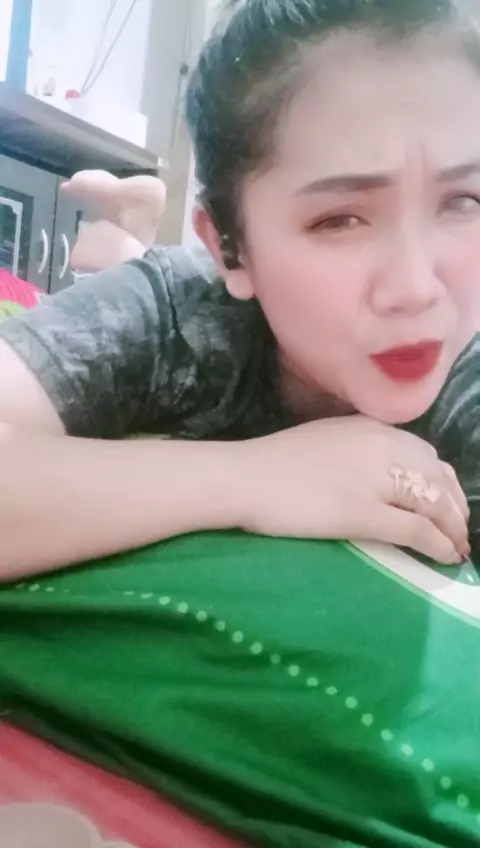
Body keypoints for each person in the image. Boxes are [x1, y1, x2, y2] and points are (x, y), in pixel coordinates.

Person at [0, 0, 478, 580]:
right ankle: (130, 237)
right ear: (229, 245)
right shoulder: (178, 313)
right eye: (339, 220)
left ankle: (132, 229)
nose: (417, 289)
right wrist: (253, 475)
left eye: (463, 201)